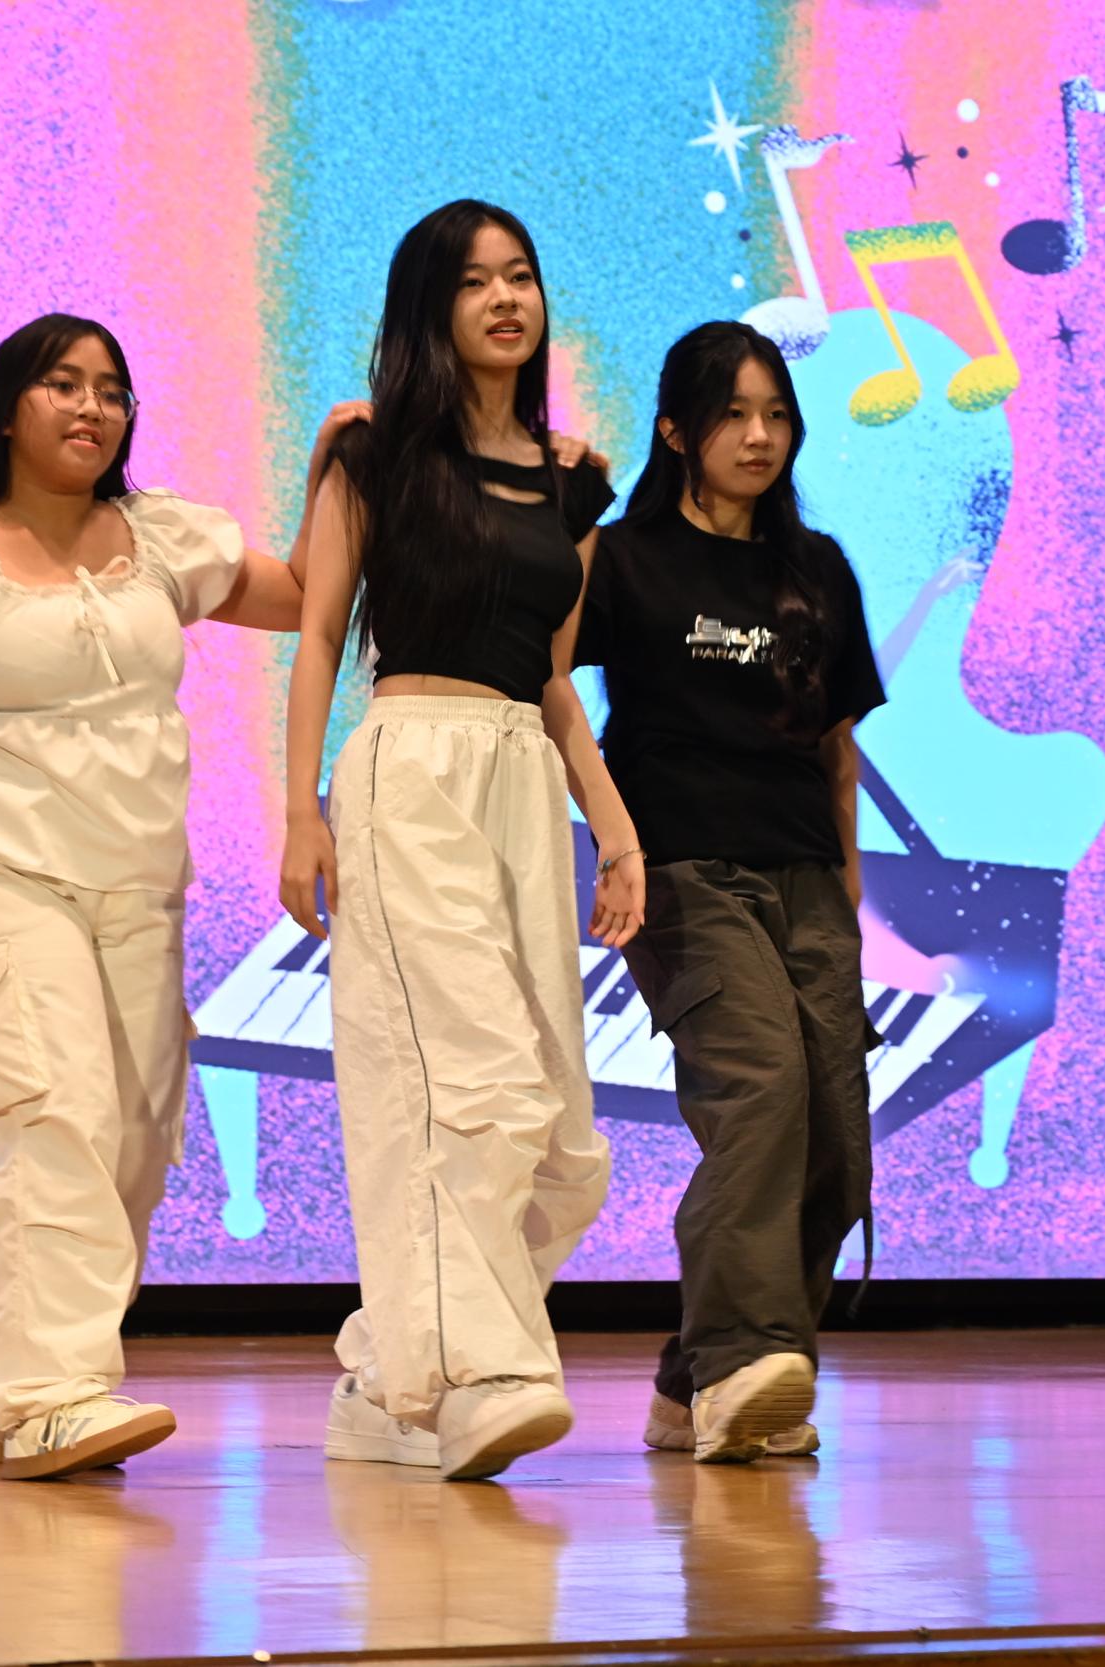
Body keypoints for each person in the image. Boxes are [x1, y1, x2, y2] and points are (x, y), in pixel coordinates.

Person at [0, 312, 357, 1480]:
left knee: (132, 1140)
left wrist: (331, 461)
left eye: (111, 389)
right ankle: (47, 1391)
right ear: (6, 408)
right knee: (51, 1112)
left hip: (136, 889)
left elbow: (306, 594)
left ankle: (28, 1384)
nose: (90, 406)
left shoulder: (157, 536)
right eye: (62, 384)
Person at [280, 200, 641, 1482]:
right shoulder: (371, 451)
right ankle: (485, 1373)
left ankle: (388, 1374)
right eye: (476, 280)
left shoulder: (574, 478)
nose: (504, 299)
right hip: (409, 765)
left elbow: (552, 679)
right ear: (429, 305)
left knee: (564, 1143)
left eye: (521, 276)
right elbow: (318, 632)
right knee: (468, 1085)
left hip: (520, 777)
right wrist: (299, 806)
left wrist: (613, 825)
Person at [575, 321, 886, 1463]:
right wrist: (611, 842)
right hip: (682, 872)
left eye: (777, 415)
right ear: (675, 430)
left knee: (835, 1144)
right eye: (734, 415)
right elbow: (548, 696)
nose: (760, 437)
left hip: (805, 877)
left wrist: (849, 901)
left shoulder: (818, 569)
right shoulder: (621, 559)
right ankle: (747, 1362)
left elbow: (838, 755)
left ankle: (694, 1379)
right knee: (761, 1094)